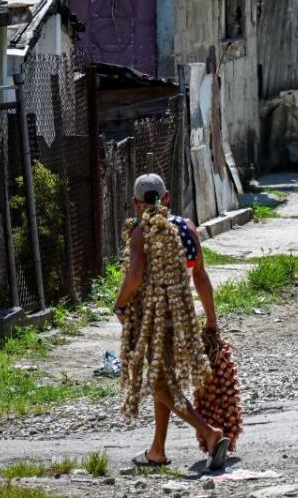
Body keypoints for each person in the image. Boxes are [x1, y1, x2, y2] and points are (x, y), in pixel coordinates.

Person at [113, 173, 230, 470]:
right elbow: (201, 277)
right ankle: (157, 450)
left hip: (154, 323)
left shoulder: (141, 234)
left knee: (160, 386)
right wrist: (211, 321)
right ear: (166, 198)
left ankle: (209, 432)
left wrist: (120, 303)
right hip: (182, 321)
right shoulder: (187, 228)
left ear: (136, 203)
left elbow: (135, 276)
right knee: (163, 380)